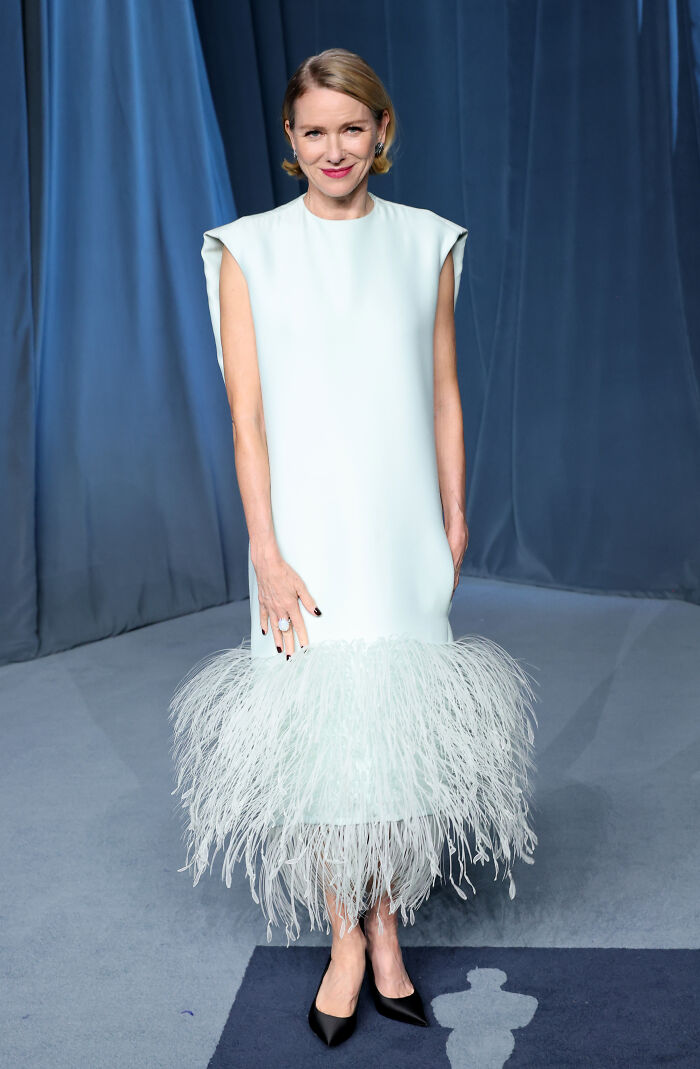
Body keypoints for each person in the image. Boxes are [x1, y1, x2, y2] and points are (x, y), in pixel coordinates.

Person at [169, 48, 538, 1048]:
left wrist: (454, 513)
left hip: (397, 523)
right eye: (314, 130)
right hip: (303, 530)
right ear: (289, 143)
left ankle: (389, 930)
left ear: (381, 130)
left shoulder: (427, 242)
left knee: (395, 736)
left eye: (352, 126)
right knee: (324, 742)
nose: (335, 147)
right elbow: (246, 419)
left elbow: (442, 389)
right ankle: (344, 937)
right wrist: (266, 552)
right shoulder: (248, 248)